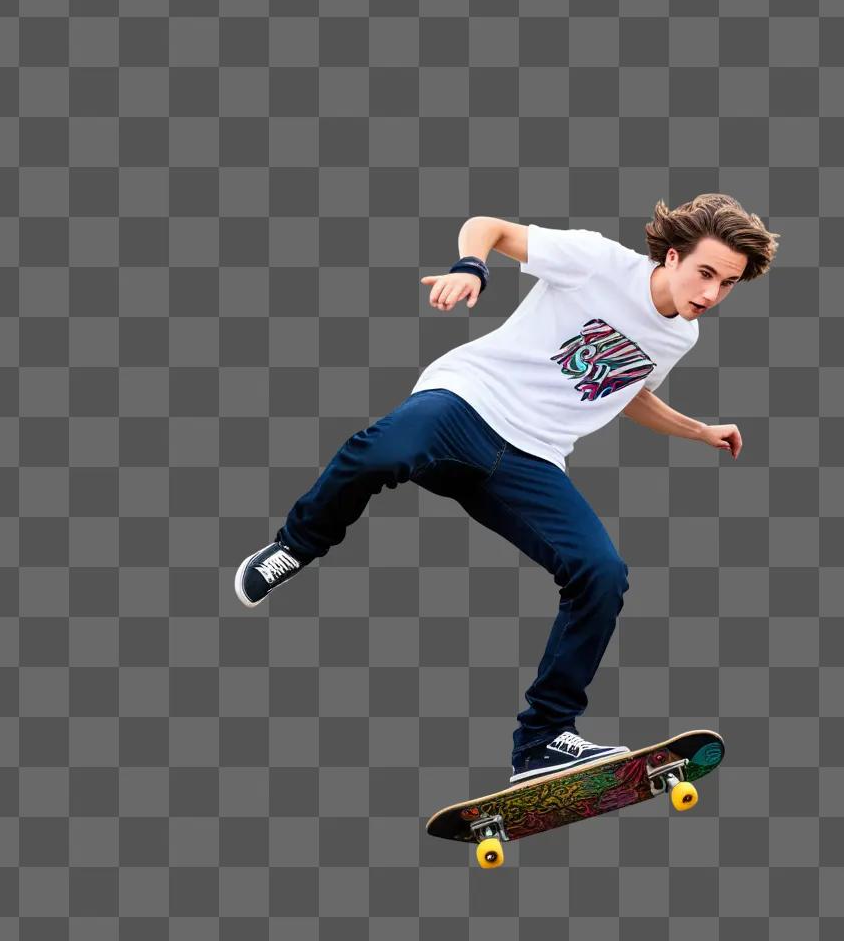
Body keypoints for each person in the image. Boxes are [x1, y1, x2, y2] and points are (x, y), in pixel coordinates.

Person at [235, 193, 779, 783]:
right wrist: (470, 267)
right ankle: (297, 544)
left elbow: (628, 390)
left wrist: (698, 430)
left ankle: (543, 740)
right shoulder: (595, 260)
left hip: (532, 461)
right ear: (673, 257)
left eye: (726, 285)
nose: (709, 295)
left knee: (601, 573)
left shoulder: (680, 337)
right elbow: (487, 226)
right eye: (705, 274)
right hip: (466, 403)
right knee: (385, 450)